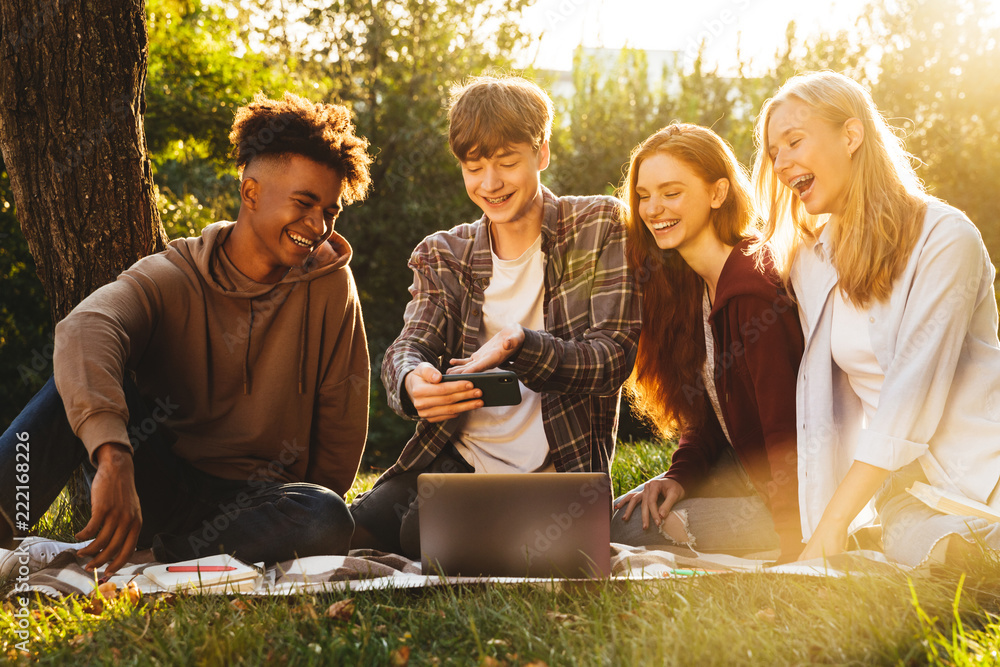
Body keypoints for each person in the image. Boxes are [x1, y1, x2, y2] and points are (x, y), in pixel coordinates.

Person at [0, 92, 373, 576]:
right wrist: (113, 455)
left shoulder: (330, 286)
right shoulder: (176, 273)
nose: (318, 225)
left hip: (257, 508)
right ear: (252, 192)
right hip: (154, 485)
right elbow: (84, 328)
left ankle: (151, 561)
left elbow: (340, 425)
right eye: (304, 203)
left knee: (324, 514)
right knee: (69, 383)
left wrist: (313, 521)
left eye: (330, 211)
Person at [349, 74, 641, 559]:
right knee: (349, 529)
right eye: (474, 166)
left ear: (541, 153)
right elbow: (407, 346)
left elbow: (612, 359)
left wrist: (520, 345)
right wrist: (411, 380)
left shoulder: (599, 224)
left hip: (556, 481)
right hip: (456, 461)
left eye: (507, 162)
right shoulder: (445, 252)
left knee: (417, 534)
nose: (491, 183)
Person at [754, 70, 1000, 566]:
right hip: (908, 492)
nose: (780, 163)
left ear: (851, 135)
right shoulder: (811, 261)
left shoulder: (946, 238)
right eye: (772, 151)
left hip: (984, 468)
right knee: (934, 550)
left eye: (794, 141)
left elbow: (910, 394)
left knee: (962, 553)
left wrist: (832, 525)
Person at [610, 124, 804, 563]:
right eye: (643, 195)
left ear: (718, 193)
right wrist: (678, 478)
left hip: (791, 506)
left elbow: (784, 428)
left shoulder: (754, 289)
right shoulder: (692, 290)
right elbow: (708, 415)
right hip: (741, 481)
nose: (653, 208)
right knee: (617, 518)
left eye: (671, 192)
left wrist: (798, 546)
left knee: (619, 534)